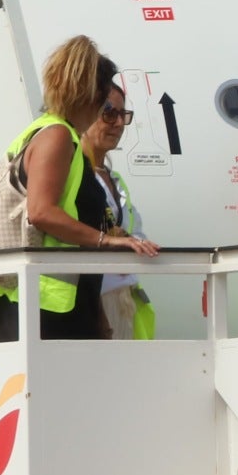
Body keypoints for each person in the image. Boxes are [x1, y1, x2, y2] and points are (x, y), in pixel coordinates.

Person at [0, 36, 158, 341]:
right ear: (94, 93)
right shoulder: (58, 136)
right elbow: (41, 212)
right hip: (48, 304)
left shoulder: (37, 133)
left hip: (56, 299)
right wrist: (106, 240)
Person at [80, 77, 156, 340]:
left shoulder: (115, 180)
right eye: (109, 113)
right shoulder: (74, 174)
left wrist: (131, 242)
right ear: (85, 114)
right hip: (93, 302)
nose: (120, 124)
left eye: (123, 114)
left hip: (123, 299)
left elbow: (137, 233)